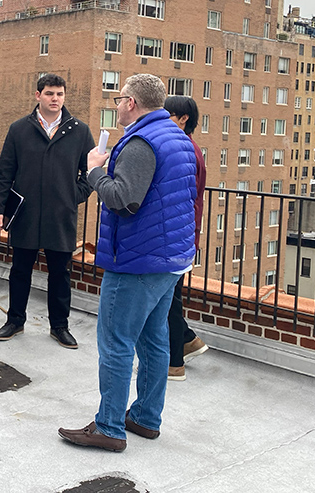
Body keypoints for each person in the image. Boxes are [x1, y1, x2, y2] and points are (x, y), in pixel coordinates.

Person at [58, 74, 196, 451]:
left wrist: (95, 171)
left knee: (116, 342)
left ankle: (109, 427)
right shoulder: (177, 137)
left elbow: (124, 199)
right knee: (154, 340)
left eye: (119, 99)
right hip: (172, 257)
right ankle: (146, 418)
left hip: (138, 259)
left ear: (132, 103)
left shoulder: (140, 142)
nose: (117, 105)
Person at [0, 73, 94, 349]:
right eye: (50, 93)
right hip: (25, 214)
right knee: (20, 270)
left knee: (60, 273)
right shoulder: (19, 129)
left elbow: (92, 172)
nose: (55, 99)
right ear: (38, 96)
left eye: (60, 94)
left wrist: (73, 196)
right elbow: (4, 172)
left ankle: (59, 326)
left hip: (61, 216)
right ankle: (15, 320)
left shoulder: (79, 131)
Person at [163, 96, 209, 381]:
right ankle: (189, 339)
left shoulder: (185, 150)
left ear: (182, 119)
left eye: (167, 115)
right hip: (184, 233)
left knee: (167, 299)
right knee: (171, 296)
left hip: (179, 235)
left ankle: (175, 363)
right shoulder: (189, 147)